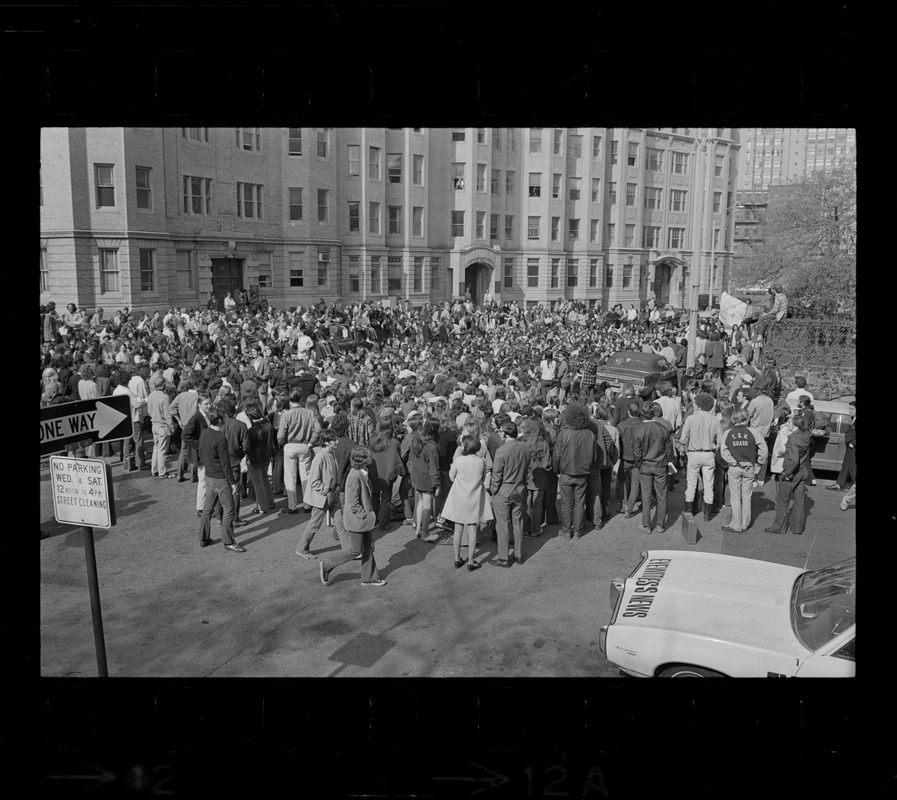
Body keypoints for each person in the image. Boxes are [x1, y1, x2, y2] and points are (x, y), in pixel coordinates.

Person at [319, 446, 386, 587]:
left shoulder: (361, 472)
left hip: (363, 520)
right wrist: (364, 515)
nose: (371, 459)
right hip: (358, 520)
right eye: (368, 457)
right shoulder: (354, 476)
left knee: (369, 547)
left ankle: (369, 578)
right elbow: (352, 502)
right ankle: (326, 564)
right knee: (355, 550)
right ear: (362, 460)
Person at [441, 434, 493, 571]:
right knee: (472, 530)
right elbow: (483, 478)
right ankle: (471, 561)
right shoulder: (481, 461)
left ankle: (457, 558)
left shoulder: (458, 460)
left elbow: (452, 477)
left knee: (458, 529)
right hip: (475, 496)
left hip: (459, 495)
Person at [197, 406, 245, 552]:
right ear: (219, 420)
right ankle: (229, 540)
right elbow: (225, 464)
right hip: (220, 478)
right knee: (229, 508)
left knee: (208, 508)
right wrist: (233, 483)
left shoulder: (205, 433)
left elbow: (201, 452)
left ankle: (203, 537)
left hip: (209, 475)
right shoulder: (220, 438)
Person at [719, 408, 768, 533]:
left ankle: (736, 524)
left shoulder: (728, 433)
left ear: (733, 419)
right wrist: (758, 464)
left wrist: (734, 461)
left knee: (735, 497)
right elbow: (764, 450)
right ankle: (745, 523)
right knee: (747, 496)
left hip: (735, 467)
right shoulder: (754, 432)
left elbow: (724, 452)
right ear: (746, 418)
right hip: (750, 466)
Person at [765, 410, 812, 535]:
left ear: (796, 425)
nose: (787, 424)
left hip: (792, 473)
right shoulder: (805, 436)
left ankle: (779, 527)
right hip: (803, 471)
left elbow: (793, 459)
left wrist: (787, 473)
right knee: (799, 501)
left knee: (782, 501)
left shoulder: (793, 440)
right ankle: (797, 528)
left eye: (789, 422)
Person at [552, 403, 595, 540]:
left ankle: (566, 530)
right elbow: (594, 456)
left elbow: (557, 455)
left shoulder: (563, 434)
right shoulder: (590, 434)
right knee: (579, 502)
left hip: (566, 472)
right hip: (582, 473)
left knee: (566, 503)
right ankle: (577, 530)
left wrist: (556, 469)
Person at [295, 429, 340, 559]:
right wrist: (326, 490)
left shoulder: (332, 453)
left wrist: (337, 485)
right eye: (334, 440)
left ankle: (351, 549)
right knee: (315, 524)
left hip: (332, 494)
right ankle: (301, 548)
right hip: (324, 497)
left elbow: (334, 473)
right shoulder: (320, 457)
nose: (336, 441)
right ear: (326, 442)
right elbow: (313, 480)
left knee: (340, 522)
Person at [490, 420, 530, 564]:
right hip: (520, 488)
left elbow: (497, 474)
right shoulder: (525, 447)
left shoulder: (501, 451)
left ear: (506, 433)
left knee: (502, 525)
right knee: (518, 522)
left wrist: (493, 491)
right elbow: (527, 469)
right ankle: (518, 554)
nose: (499, 433)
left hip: (504, 490)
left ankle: (503, 558)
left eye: (501, 431)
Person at [277, 388, 321, 514]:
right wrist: (311, 442)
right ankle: (307, 504)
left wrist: (282, 443)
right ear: (301, 398)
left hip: (290, 445)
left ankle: (292, 506)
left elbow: (281, 434)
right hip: (305, 445)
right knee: (305, 475)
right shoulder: (309, 413)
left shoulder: (286, 414)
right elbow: (317, 429)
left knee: (290, 476)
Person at [679, 392, 722, 520]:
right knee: (709, 484)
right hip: (709, 453)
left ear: (697, 405)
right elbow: (720, 441)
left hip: (693, 453)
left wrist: (686, 450)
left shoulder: (691, 418)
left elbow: (682, 439)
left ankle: (689, 511)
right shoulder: (715, 420)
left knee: (691, 484)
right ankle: (707, 514)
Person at [633, 402, 673, 534]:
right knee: (662, 494)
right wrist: (669, 462)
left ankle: (646, 525)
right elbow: (669, 449)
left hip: (645, 465)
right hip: (660, 465)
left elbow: (637, 451)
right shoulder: (662, 428)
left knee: (646, 495)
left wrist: (639, 464)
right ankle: (661, 525)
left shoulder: (639, 429)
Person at [409, 418, 441, 542]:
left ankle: (418, 530)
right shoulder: (431, 447)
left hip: (416, 477)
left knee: (420, 503)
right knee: (427, 506)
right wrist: (437, 484)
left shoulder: (416, 440)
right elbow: (434, 468)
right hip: (427, 479)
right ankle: (425, 534)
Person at [182, 392, 212, 516]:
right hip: (202, 455)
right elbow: (185, 435)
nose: (209, 406)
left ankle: (208, 504)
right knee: (203, 480)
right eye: (206, 404)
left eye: (210, 403)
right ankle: (200, 507)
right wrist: (200, 445)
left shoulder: (208, 415)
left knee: (207, 480)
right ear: (199, 404)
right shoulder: (196, 418)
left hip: (209, 453)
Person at [245, 402, 275, 516]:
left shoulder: (251, 431)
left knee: (257, 483)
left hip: (254, 458)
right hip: (266, 456)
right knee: (265, 479)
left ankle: (262, 506)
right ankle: (270, 502)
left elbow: (247, 447)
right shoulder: (268, 426)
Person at [617, 400, 644, 517]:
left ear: (628, 412)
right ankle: (630, 508)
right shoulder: (643, 425)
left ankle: (624, 503)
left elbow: (618, 444)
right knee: (635, 484)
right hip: (638, 458)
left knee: (621, 481)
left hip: (625, 457)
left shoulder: (621, 425)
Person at [146, 374, 174, 478]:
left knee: (156, 448)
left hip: (154, 424)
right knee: (162, 450)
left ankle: (154, 470)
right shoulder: (165, 397)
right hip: (163, 425)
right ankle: (162, 472)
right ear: (163, 385)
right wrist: (172, 426)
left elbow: (149, 412)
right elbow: (168, 415)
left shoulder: (151, 396)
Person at [827, 414, 856, 492]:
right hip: (849, 445)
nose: (850, 411)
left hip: (853, 446)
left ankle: (854, 485)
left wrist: (853, 443)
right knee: (846, 465)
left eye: (852, 409)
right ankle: (839, 484)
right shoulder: (853, 418)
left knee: (852, 466)